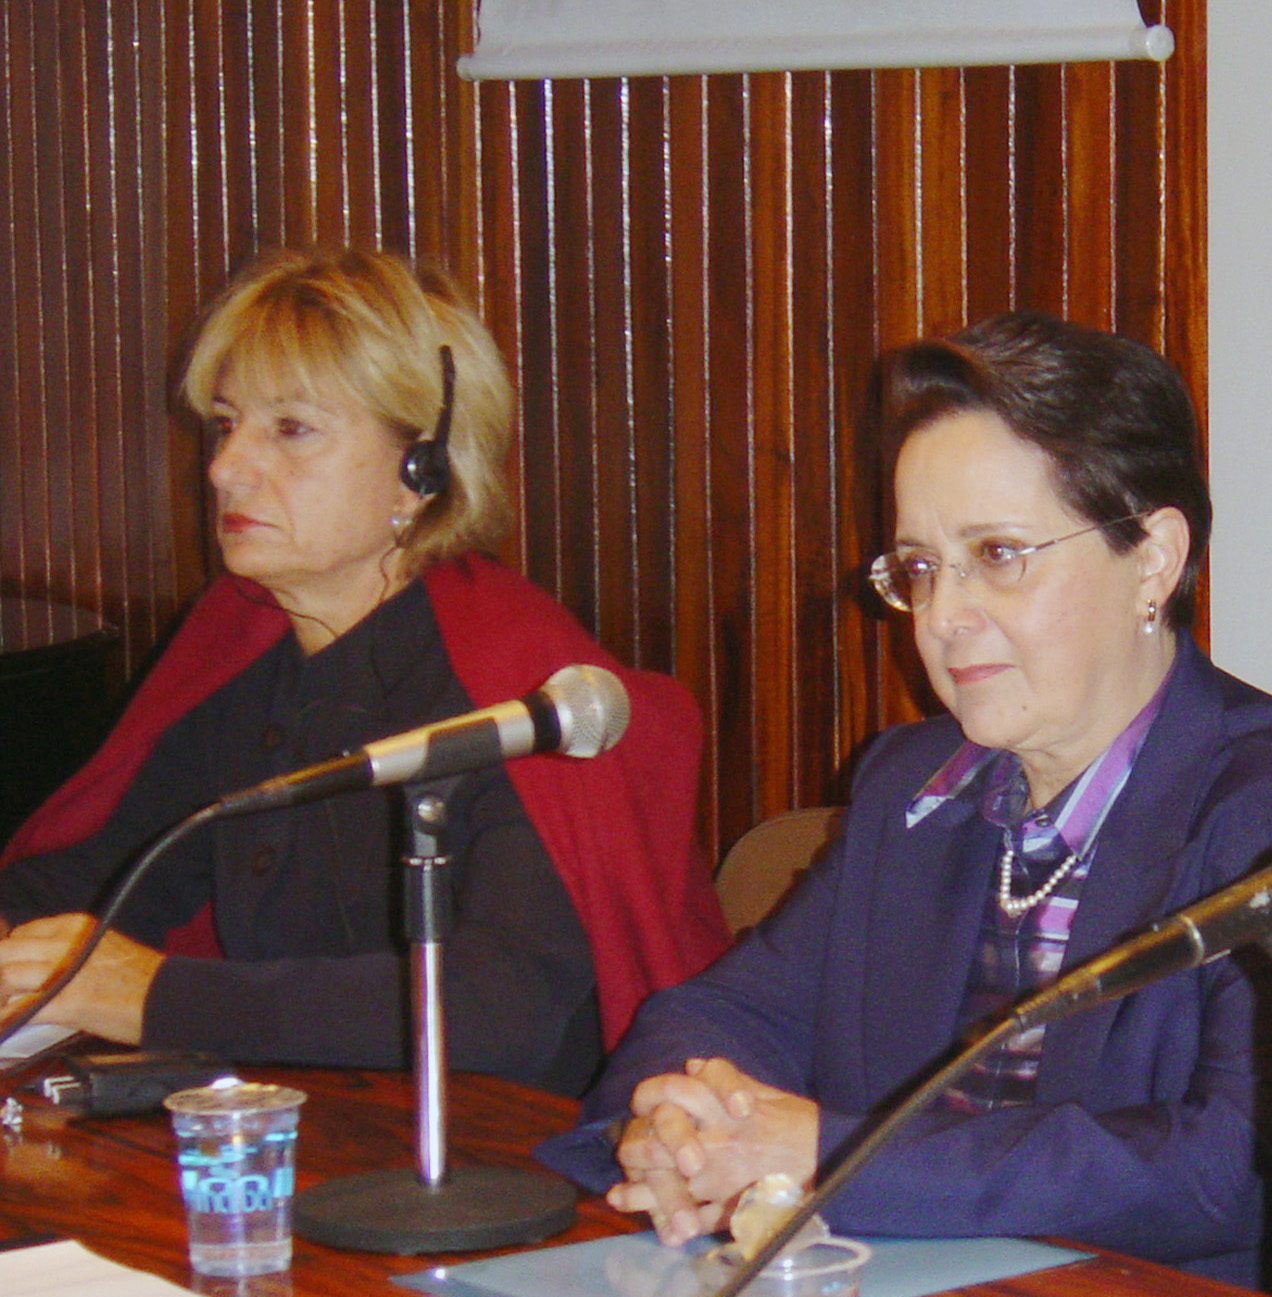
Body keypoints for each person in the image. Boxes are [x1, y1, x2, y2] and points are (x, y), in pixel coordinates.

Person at [540, 311, 1272, 1297]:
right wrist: (676, 1125)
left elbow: (1227, 1168)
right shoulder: (912, 788)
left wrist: (826, 1156)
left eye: (997, 555)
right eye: (918, 567)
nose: (942, 616)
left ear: (1154, 560)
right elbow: (722, 1013)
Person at [0, 247, 730, 1096]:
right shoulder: (240, 647)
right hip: (310, 1127)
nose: (225, 466)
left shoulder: (520, 684)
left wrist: (156, 997)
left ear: (421, 471)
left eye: (291, 428)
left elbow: (504, 1009)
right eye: (227, 424)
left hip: (509, 1156)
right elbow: (98, 880)